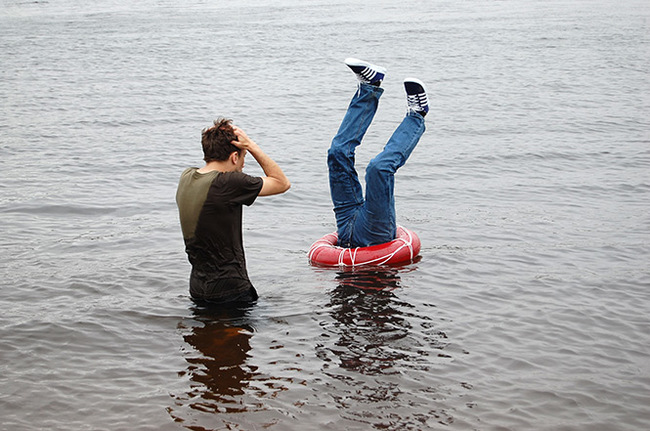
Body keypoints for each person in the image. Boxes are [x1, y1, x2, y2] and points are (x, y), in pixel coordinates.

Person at [176, 118, 290, 304]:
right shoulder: (229, 183)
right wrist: (252, 146)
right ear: (234, 157)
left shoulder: (186, 176)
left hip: (197, 287)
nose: (243, 165)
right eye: (243, 158)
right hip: (230, 289)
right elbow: (282, 183)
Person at [327, 58, 429, 248]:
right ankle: (417, 114)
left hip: (345, 216)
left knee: (337, 152)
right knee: (378, 169)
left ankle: (369, 86)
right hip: (376, 232)